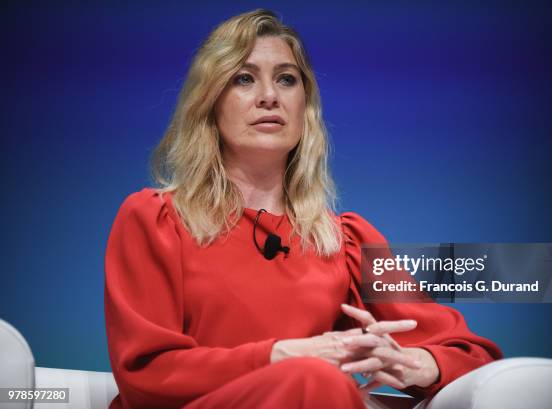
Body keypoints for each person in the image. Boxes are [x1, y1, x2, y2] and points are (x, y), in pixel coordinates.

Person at [104, 9, 502, 409]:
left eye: (286, 79)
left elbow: (470, 353)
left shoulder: (344, 242)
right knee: (312, 379)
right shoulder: (155, 219)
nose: (269, 96)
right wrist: (281, 355)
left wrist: (420, 363)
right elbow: (147, 373)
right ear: (210, 102)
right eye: (244, 79)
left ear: (304, 107)